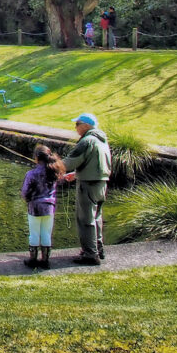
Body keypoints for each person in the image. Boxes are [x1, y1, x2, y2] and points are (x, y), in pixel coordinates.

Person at [61, 112, 112, 265]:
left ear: (86, 126)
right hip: (101, 184)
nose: (75, 127)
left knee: (86, 219)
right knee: (96, 218)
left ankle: (90, 255)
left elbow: (70, 161)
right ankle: (98, 249)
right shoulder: (102, 140)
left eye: (77, 124)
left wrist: (49, 167)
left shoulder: (87, 141)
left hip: (88, 185)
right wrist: (76, 174)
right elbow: (95, 163)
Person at [21, 145, 67, 269]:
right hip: (49, 208)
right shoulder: (54, 172)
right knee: (46, 233)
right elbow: (60, 180)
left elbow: (25, 192)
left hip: (34, 208)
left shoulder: (31, 174)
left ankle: (33, 260)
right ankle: (45, 260)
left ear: (36, 158)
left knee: (34, 234)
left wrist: (27, 199)